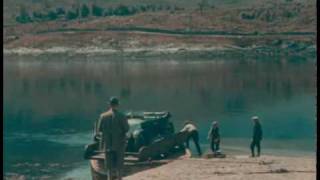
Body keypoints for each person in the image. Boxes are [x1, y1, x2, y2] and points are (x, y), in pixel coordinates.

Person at [96, 97, 129, 180]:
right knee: (119, 165)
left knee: (109, 166)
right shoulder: (122, 116)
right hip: (119, 144)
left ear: (109, 105)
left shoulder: (103, 116)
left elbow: (99, 129)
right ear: (117, 105)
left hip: (107, 144)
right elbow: (126, 129)